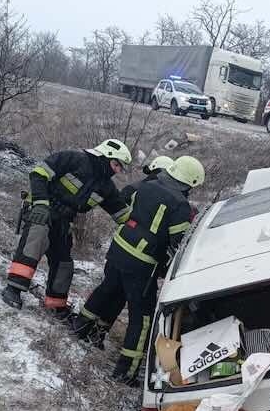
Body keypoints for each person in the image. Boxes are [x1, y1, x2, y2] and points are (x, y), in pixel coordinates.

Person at [68, 156, 205, 384]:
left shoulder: (148, 185)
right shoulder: (180, 205)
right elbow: (179, 243)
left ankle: (80, 327)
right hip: (141, 264)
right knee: (141, 320)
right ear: (189, 182)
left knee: (106, 291)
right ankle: (125, 373)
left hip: (118, 251)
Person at [1, 139, 133, 314]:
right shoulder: (73, 158)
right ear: (105, 155)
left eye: (120, 168)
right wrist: (40, 203)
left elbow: (123, 214)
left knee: (64, 264)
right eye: (116, 164)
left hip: (64, 222)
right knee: (35, 242)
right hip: (43, 211)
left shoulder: (106, 187)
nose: (116, 170)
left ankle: (56, 306)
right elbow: (38, 173)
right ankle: (13, 289)